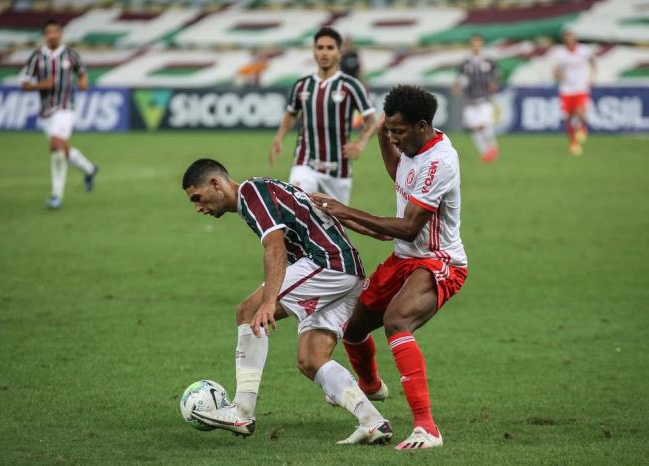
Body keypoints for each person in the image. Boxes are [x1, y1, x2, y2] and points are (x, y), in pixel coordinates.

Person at [181, 159, 392, 445]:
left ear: (216, 184)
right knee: (311, 359)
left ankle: (241, 411)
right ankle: (372, 421)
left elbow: (275, 246)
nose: (198, 208)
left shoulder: (252, 193)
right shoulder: (266, 189)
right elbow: (318, 208)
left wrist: (269, 302)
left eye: (198, 198)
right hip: (347, 272)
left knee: (248, 310)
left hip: (327, 264)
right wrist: (375, 230)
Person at [312, 85, 468, 450]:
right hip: (403, 258)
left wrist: (344, 210)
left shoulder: (440, 161)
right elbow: (399, 172)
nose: (394, 139)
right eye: (391, 131)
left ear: (423, 125)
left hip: (438, 260)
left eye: (400, 131)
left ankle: (427, 428)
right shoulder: (410, 148)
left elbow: (410, 226)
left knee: (397, 320)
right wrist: (382, 128)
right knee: (352, 329)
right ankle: (370, 387)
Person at [269, 27, 377, 205]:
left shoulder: (351, 86)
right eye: (320, 48)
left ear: (339, 53)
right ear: (314, 51)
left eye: (329, 48)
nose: (324, 52)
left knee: (333, 225)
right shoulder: (302, 86)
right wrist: (279, 137)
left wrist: (361, 141)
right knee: (295, 207)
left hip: (338, 170)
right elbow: (291, 113)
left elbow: (372, 120)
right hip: (305, 163)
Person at [20, 19, 98, 209]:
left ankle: (56, 195)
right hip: (46, 111)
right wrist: (41, 85)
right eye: (49, 32)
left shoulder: (70, 55)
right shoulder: (37, 57)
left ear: (61, 34)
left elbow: (82, 72)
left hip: (65, 107)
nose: (53, 35)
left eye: (56, 31)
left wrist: (83, 83)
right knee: (61, 148)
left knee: (55, 145)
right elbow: (24, 84)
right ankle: (89, 169)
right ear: (45, 35)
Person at [454, 34, 500, 163]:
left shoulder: (489, 60)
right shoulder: (465, 62)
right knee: (474, 128)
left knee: (484, 124)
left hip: (485, 97)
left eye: (478, 44)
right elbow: (459, 77)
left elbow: (497, 74)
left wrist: (494, 83)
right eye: (474, 44)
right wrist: (457, 86)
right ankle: (486, 153)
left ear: (481, 45)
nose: (476, 47)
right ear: (471, 46)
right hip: (470, 98)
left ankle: (493, 149)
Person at [553, 28, 596, 156]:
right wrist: (560, 76)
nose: (570, 41)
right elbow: (556, 70)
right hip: (566, 90)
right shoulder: (560, 53)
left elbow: (593, 62)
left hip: (581, 88)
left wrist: (593, 76)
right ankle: (573, 143)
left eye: (572, 38)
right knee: (570, 118)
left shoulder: (584, 51)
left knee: (580, 111)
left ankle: (582, 128)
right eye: (567, 38)